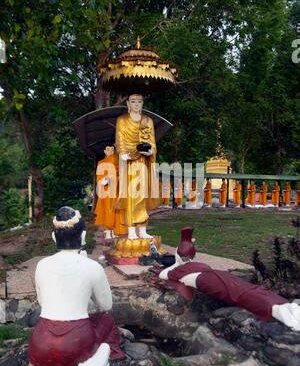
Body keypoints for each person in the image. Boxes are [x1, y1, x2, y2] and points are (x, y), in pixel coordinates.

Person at [28, 206, 125, 366]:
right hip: (76, 344)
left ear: (53, 237)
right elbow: (106, 305)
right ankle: (98, 358)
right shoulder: (92, 267)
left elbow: (43, 302)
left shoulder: (41, 265)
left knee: (95, 321)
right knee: (106, 320)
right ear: (83, 236)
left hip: (39, 345)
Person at [158, 227, 300, 331]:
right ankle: (284, 306)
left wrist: (176, 263)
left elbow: (162, 274)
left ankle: (278, 310)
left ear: (178, 257)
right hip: (221, 276)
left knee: (243, 295)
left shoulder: (180, 269)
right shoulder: (200, 264)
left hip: (210, 281)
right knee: (249, 290)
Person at [115, 94, 159, 240]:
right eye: (133, 102)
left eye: (139, 102)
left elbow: (152, 142)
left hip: (143, 162)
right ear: (128, 103)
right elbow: (120, 139)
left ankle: (142, 228)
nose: (136, 104)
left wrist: (149, 150)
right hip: (129, 162)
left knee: (142, 195)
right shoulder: (122, 120)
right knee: (131, 196)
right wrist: (123, 153)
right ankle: (131, 230)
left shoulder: (148, 120)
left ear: (142, 104)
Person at [94, 144, 127, 238]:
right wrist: (103, 181)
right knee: (108, 210)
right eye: (108, 150)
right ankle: (108, 232)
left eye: (112, 150)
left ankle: (115, 231)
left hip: (116, 190)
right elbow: (99, 177)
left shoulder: (118, 163)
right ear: (104, 151)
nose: (110, 152)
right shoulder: (101, 162)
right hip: (106, 190)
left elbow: (121, 174)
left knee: (116, 211)